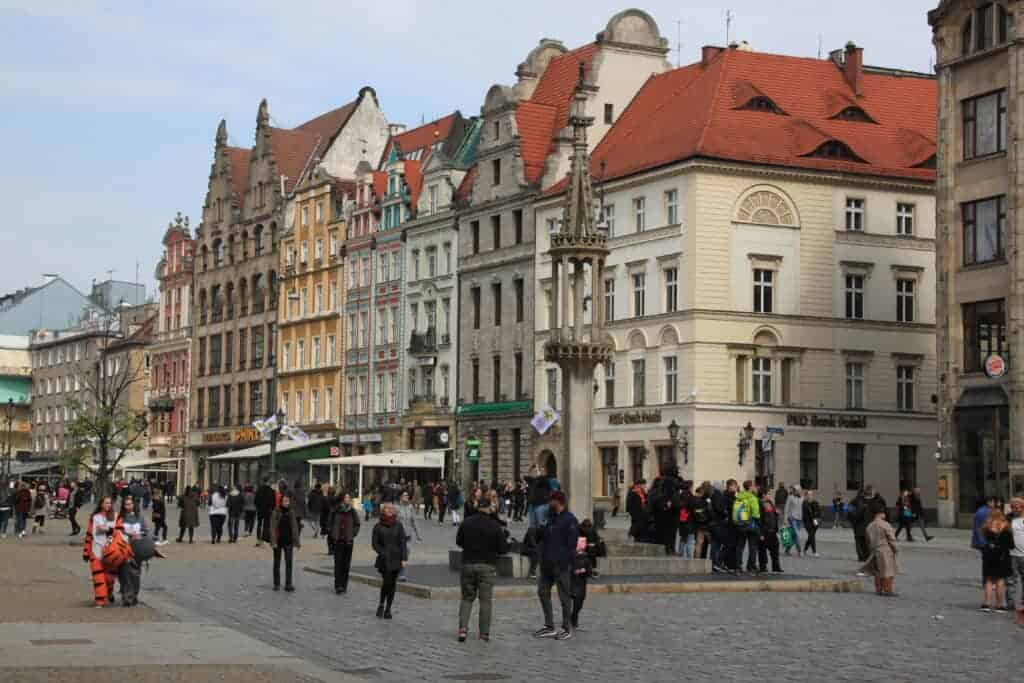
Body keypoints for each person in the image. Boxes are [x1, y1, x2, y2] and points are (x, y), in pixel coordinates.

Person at [456, 499, 509, 642]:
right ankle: (484, 633)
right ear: (488, 509)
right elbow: (503, 549)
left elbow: (459, 542)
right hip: (487, 566)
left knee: (467, 598)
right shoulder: (495, 526)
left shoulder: (466, 522)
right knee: (485, 601)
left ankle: (462, 630)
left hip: (468, 564)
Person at [533, 491, 578, 641]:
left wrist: (564, 561)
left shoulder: (569, 520)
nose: (548, 504)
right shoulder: (549, 518)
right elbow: (541, 537)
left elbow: (572, 545)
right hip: (547, 564)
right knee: (542, 591)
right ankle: (549, 626)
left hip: (561, 565)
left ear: (558, 502)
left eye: (551, 501)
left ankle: (566, 628)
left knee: (564, 597)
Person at [372, 503, 408, 619]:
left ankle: (388, 609)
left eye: (391, 509)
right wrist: (382, 552)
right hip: (384, 559)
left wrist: (404, 558)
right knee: (386, 582)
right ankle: (381, 604)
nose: (390, 510)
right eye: (387, 509)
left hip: (396, 559)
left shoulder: (398, 525)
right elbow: (374, 543)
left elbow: (403, 542)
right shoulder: (377, 526)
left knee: (393, 584)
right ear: (383, 511)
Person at [570, 518, 605, 630]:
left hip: (580, 582)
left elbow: (588, 571)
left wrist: (585, 571)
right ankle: (572, 619)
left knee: (578, 602)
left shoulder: (585, 558)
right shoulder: (573, 555)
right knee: (576, 602)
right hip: (575, 582)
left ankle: (573, 617)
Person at [84, 496, 118, 607]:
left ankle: (109, 592)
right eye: (106, 503)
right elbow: (89, 535)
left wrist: (109, 530)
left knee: (109, 578)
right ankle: (100, 600)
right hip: (96, 550)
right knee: (98, 577)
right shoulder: (94, 518)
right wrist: (86, 552)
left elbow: (120, 532)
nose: (108, 505)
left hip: (111, 552)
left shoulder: (116, 517)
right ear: (101, 504)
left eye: (110, 503)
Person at [978, 508, 1013, 612]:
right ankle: (999, 605)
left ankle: (986, 604)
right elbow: (1011, 545)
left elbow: (985, 541)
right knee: (1000, 580)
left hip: (989, 556)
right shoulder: (1006, 527)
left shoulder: (986, 527)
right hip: (1002, 556)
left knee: (989, 580)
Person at [861, 502, 899, 597]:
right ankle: (888, 590)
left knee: (878, 572)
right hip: (886, 550)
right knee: (888, 571)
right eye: (884, 513)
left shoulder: (869, 526)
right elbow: (891, 538)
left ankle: (878, 589)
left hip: (875, 550)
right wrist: (895, 549)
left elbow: (868, 541)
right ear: (880, 513)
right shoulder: (885, 524)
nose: (885, 514)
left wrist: (871, 550)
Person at [117, 496, 147, 607]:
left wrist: (140, 535)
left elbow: (146, 531)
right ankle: (126, 596)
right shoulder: (120, 517)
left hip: (137, 549)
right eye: (126, 504)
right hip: (123, 548)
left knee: (135, 574)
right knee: (124, 573)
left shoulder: (140, 517)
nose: (128, 506)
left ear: (133, 505)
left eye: (130, 504)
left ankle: (134, 595)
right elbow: (116, 531)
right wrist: (127, 535)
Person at [329, 493, 360, 594]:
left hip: (348, 541)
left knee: (346, 565)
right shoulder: (336, 510)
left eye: (349, 497)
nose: (347, 499)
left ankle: (344, 585)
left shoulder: (352, 511)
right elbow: (330, 523)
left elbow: (357, 524)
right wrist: (333, 533)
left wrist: (353, 534)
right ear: (342, 499)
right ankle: (338, 586)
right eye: (346, 497)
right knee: (338, 564)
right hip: (338, 541)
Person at [649, 467, 682, 557]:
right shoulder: (670, 481)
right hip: (670, 510)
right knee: (670, 531)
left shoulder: (663, 481)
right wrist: (668, 503)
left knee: (666, 532)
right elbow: (669, 494)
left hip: (666, 510)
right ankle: (669, 549)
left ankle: (668, 549)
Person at [270, 494, 300, 592]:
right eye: (285, 501)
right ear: (281, 501)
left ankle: (288, 584)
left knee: (289, 563)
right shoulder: (276, 512)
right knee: (277, 563)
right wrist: (273, 541)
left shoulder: (291, 512)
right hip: (278, 541)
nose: (287, 502)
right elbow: (273, 528)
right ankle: (277, 583)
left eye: (288, 501)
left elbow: (294, 527)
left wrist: (297, 541)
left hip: (288, 541)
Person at [733, 481, 761, 574]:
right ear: (750, 487)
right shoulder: (752, 498)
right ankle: (751, 567)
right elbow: (756, 514)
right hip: (750, 525)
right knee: (752, 546)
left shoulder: (739, 496)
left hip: (739, 525)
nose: (755, 487)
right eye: (753, 486)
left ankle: (738, 567)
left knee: (740, 546)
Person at [396, 491, 422, 582]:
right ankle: (398, 572)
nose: (406, 497)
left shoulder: (411, 507)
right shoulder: (397, 508)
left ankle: (402, 574)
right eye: (404, 495)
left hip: (408, 535)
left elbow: (414, 521)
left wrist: (418, 534)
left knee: (406, 553)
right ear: (400, 497)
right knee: (399, 555)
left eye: (407, 495)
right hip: (398, 536)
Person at [1007, 498, 1024, 626]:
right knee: (1011, 579)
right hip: (1011, 554)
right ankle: (1011, 602)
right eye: (1013, 507)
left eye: (1018, 507)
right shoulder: (1008, 518)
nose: (1016, 509)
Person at [758, 490, 783, 573]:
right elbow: (760, 519)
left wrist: (777, 513)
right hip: (765, 531)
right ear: (764, 495)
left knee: (775, 548)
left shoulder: (770, 502)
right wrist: (761, 533)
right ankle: (763, 567)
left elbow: (774, 514)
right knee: (762, 549)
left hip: (772, 530)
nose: (770, 495)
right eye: (768, 493)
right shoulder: (760, 503)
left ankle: (776, 567)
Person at [783, 485, 804, 557]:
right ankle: (800, 551)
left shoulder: (802, 498)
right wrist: (785, 519)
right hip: (792, 518)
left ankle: (787, 550)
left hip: (799, 519)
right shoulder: (790, 497)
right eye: (795, 490)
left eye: (798, 490)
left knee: (793, 536)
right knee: (797, 534)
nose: (796, 491)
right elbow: (786, 508)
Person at [254, 478, 276, 546]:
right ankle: (264, 539)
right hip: (268, 510)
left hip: (260, 509)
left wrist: (258, 507)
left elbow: (255, 500)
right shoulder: (271, 491)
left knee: (259, 524)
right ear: (268, 482)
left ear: (263, 481)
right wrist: (272, 508)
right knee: (266, 525)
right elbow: (273, 502)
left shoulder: (259, 490)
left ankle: (258, 539)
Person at [802, 490, 822, 557]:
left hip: (815, 521)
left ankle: (804, 550)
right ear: (806, 496)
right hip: (807, 522)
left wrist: (817, 519)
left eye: (811, 494)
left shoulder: (815, 502)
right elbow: (804, 514)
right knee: (812, 535)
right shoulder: (804, 503)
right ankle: (814, 552)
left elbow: (819, 512)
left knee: (811, 536)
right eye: (809, 495)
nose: (810, 496)